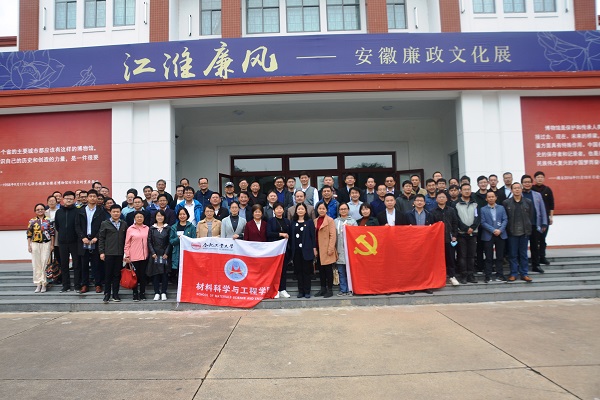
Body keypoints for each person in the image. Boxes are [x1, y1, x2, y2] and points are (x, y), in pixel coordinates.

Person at [503, 182, 534, 283]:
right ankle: (513, 273)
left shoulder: (528, 202)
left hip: (524, 232)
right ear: (511, 190)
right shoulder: (506, 202)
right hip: (512, 232)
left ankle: (524, 273)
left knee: (523, 254)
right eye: (515, 188)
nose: (517, 190)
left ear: (521, 189)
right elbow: (505, 218)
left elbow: (530, 216)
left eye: (518, 188)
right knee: (512, 254)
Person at [74, 189, 104, 294]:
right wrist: (83, 237)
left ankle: (98, 284)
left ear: (97, 198)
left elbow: (102, 226)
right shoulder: (80, 211)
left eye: (94, 196)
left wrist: (96, 237)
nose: (92, 198)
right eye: (90, 196)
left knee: (97, 264)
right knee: (84, 264)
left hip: (96, 241)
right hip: (83, 241)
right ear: (87, 198)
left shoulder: (101, 211)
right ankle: (84, 285)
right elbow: (77, 226)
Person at [98, 204, 128, 303]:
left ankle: (115, 293)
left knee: (117, 274)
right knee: (108, 274)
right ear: (110, 212)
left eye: (117, 212)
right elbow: (101, 238)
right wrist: (101, 252)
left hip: (119, 253)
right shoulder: (105, 223)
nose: (116, 213)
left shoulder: (124, 224)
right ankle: (107, 294)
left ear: (120, 213)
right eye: (114, 212)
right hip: (108, 253)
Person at [431, 191, 460, 286]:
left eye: (443, 197)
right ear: (436, 199)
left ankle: (452, 276)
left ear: (447, 199)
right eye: (439, 197)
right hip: (437, 240)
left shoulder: (451, 210)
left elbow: (455, 223)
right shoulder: (433, 211)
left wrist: (454, 235)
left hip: (449, 238)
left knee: (451, 258)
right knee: (438, 259)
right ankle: (438, 277)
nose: (441, 199)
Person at [54, 191, 81, 293]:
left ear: (74, 200)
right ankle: (66, 286)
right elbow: (57, 226)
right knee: (64, 265)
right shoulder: (59, 212)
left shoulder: (78, 211)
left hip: (75, 242)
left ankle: (77, 286)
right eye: (67, 198)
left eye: (71, 199)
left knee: (77, 264)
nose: (68, 200)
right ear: (63, 199)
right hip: (62, 242)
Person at [521, 174, 548, 273]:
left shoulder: (537, 195)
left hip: (534, 225)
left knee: (535, 246)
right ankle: (522, 266)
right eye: (525, 182)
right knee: (522, 247)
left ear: (532, 183)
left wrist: (544, 223)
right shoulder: (519, 194)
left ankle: (536, 265)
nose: (527, 184)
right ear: (522, 184)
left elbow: (542, 210)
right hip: (522, 226)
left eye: (529, 182)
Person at [480, 191, 508, 283]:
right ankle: (488, 275)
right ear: (486, 199)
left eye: (492, 196)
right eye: (489, 197)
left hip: (501, 234)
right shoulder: (483, 209)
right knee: (488, 257)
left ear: (496, 197)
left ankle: (500, 274)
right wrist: (493, 230)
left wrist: (500, 230)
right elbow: (483, 222)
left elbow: (505, 220)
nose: (491, 198)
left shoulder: (501, 208)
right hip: (488, 235)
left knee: (500, 256)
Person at [455, 183, 480, 284]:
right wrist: (465, 228)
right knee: (462, 256)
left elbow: (478, 217)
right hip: (461, 234)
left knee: (471, 256)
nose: (466, 191)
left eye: (468, 189)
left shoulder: (475, 203)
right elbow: (456, 219)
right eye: (464, 189)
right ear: (460, 191)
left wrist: (472, 228)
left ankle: (471, 275)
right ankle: (463, 275)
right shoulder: (456, 204)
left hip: (473, 233)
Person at [290, 203, 316, 298]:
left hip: (307, 250)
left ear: (305, 211)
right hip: (296, 251)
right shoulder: (293, 222)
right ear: (296, 211)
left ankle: (307, 291)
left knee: (306, 272)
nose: (300, 211)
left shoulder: (309, 222)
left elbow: (313, 236)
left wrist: (314, 248)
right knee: (299, 271)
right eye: (299, 209)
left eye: (302, 209)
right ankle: (300, 291)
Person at [27, 203, 55, 293]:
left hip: (46, 243)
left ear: (44, 210)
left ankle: (44, 284)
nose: (40, 211)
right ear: (35, 211)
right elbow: (29, 234)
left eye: (42, 209)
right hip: (35, 243)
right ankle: (38, 283)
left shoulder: (49, 220)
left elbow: (52, 233)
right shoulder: (32, 221)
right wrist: (29, 245)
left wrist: (52, 245)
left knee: (45, 263)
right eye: (38, 209)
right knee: (36, 264)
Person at [267, 202, 292, 299]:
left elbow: (290, 234)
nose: (279, 210)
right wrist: (280, 234)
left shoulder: (287, 221)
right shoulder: (271, 221)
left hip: (284, 250)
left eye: (281, 208)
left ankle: (282, 289)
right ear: (274, 210)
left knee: (283, 270)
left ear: (283, 210)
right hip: (274, 250)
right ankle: (275, 290)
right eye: (277, 208)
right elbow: (268, 233)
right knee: (274, 270)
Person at [124, 211, 150, 301]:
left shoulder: (147, 228)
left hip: (145, 256)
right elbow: (127, 243)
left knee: (143, 276)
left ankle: (142, 293)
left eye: (141, 217)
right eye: (137, 217)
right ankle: (135, 293)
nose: (139, 218)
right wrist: (127, 255)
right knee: (135, 276)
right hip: (134, 257)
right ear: (134, 218)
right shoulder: (130, 229)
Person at [314, 202, 337, 298]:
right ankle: (323, 288)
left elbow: (333, 235)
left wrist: (331, 248)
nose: (321, 210)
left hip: (327, 249)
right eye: (320, 208)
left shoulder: (330, 220)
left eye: (323, 208)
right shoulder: (315, 220)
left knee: (328, 270)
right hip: (318, 248)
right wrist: (314, 248)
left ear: (326, 210)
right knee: (321, 270)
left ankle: (330, 289)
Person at [147, 210, 171, 301]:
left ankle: (164, 292)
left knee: (165, 274)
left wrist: (166, 253)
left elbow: (169, 242)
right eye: (158, 216)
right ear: (155, 217)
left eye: (161, 216)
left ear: (164, 217)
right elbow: (149, 241)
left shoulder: (168, 228)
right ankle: (156, 292)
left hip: (164, 254)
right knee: (155, 274)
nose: (160, 217)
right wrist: (153, 253)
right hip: (155, 255)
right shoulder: (152, 228)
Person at [532, 171, 554, 266]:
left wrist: (551, 217)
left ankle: (542, 256)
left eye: (541, 177)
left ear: (544, 178)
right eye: (538, 177)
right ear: (535, 179)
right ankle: (535, 257)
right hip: (534, 218)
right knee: (535, 239)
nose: (540, 179)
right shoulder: (531, 189)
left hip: (544, 219)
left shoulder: (547, 190)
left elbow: (551, 204)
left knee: (542, 238)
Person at [334, 202, 357, 296]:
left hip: (350, 250)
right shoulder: (335, 221)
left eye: (345, 209)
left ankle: (351, 289)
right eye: (341, 209)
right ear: (339, 211)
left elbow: (356, 235)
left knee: (350, 271)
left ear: (348, 210)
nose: (343, 211)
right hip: (339, 249)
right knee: (341, 271)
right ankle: (343, 290)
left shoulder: (353, 221)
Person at [169, 208, 196, 278]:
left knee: (187, 272)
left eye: (184, 214)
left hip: (188, 252)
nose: (182, 216)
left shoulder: (191, 227)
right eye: (180, 214)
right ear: (178, 216)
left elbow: (194, 241)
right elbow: (171, 241)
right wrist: (178, 239)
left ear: (187, 215)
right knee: (177, 272)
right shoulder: (174, 227)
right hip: (177, 252)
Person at [45, 194, 60, 267]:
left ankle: (58, 269)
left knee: (58, 252)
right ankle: (49, 269)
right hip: (48, 234)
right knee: (48, 253)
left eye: (53, 201)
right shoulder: (45, 212)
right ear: (47, 203)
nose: (51, 202)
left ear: (56, 202)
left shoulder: (60, 211)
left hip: (58, 234)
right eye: (50, 201)